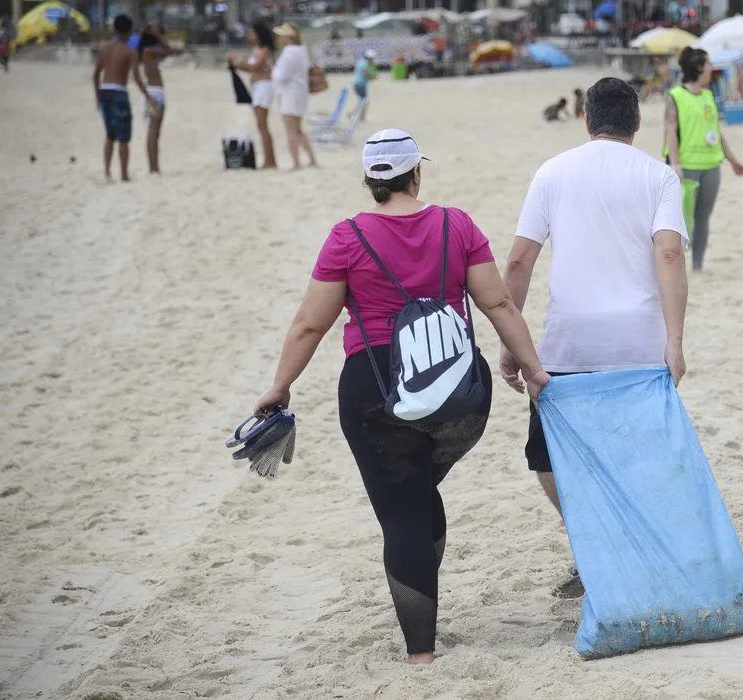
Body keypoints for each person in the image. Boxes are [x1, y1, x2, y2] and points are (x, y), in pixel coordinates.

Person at [251, 128, 550, 664]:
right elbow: (499, 304)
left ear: (371, 182)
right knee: (418, 493)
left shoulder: (346, 237)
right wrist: (533, 369)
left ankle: (420, 654)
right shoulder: (455, 224)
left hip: (375, 389)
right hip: (458, 390)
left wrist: (280, 385)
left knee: (403, 510)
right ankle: (420, 561)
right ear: (417, 173)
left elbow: (307, 326)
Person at [502, 77, 688, 596]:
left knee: (548, 458)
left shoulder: (553, 171)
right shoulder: (660, 176)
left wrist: (510, 338)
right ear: (636, 123)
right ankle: (629, 546)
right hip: (639, 344)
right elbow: (669, 255)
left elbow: (519, 260)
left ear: (587, 119)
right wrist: (675, 340)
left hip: (570, 344)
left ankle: (591, 543)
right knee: (638, 455)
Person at [663, 47, 743, 272]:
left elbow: (716, 132)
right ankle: (676, 262)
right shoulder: (676, 97)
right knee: (682, 219)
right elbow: (670, 131)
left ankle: (697, 264)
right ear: (699, 67)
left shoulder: (709, 95)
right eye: (708, 64)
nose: (711, 68)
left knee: (703, 217)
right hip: (687, 167)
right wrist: (676, 164)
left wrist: (732, 159)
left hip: (711, 165)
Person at [93, 15, 158, 183]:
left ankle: (107, 172)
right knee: (124, 137)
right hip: (119, 92)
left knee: (109, 135)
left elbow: (95, 75)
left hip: (105, 91)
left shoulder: (105, 49)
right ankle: (123, 174)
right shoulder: (130, 51)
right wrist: (149, 98)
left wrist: (97, 96)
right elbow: (137, 78)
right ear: (129, 31)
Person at [228, 21, 277, 169]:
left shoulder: (265, 50)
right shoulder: (257, 50)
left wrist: (236, 61)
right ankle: (269, 159)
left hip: (264, 86)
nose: (249, 36)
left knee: (263, 125)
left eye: (251, 33)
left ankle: (270, 161)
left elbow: (253, 67)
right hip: (257, 86)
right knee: (261, 125)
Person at [272, 23, 317, 169]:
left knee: (291, 129)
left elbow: (282, 76)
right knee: (297, 129)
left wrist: (273, 73)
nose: (278, 38)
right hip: (299, 93)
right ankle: (311, 159)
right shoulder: (301, 50)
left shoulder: (289, 52)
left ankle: (296, 162)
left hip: (290, 93)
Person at [138, 27, 171, 175]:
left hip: (156, 92)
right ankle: (152, 167)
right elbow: (170, 50)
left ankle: (155, 166)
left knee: (155, 131)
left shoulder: (148, 52)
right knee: (152, 130)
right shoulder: (148, 51)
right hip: (154, 93)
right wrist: (159, 36)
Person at [352, 48, 376, 122]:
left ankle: (356, 115)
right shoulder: (365, 63)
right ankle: (361, 117)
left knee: (362, 101)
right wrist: (372, 77)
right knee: (364, 101)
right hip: (360, 85)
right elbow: (364, 73)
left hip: (358, 84)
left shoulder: (361, 62)